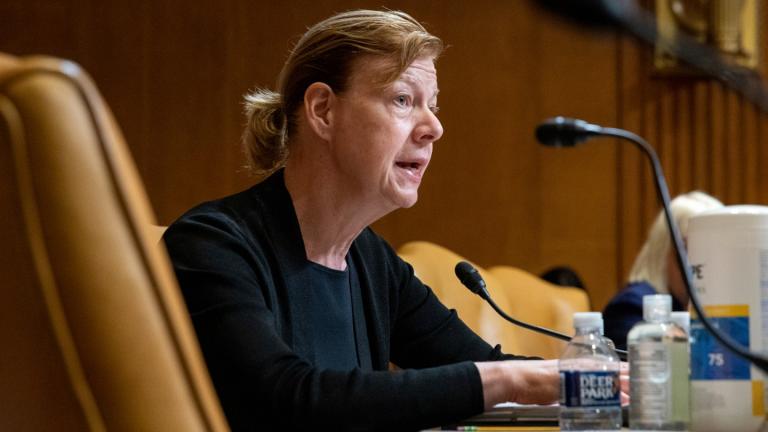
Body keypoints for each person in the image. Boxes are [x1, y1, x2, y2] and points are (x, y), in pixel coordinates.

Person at [163, 9, 565, 431]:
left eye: (433, 105)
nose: (434, 127)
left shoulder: (371, 261)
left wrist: (603, 379)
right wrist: (508, 380)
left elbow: (482, 366)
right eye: (403, 100)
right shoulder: (211, 245)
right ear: (322, 110)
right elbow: (281, 398)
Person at [603, 191, 723, 350]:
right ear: (666, 250)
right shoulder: (631, 307)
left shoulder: (702, 307)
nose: (710, 263)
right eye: (698, 250)